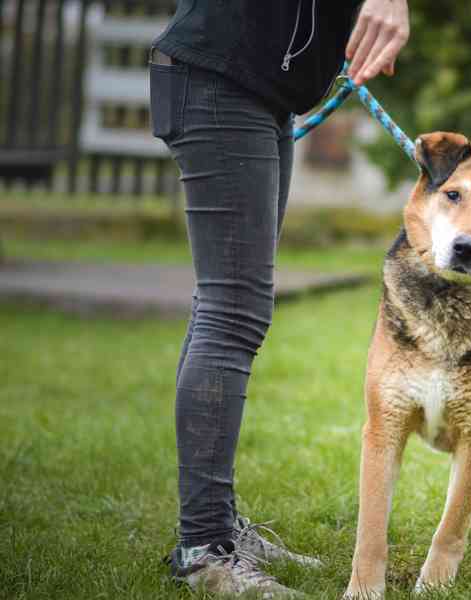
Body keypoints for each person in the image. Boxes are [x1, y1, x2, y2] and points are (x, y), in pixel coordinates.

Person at [148, 1, 410, 595]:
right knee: (231, 311)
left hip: (256, 88)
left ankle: (216, 529)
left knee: (228, 308)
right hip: (220, 79)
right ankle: (204, 550)